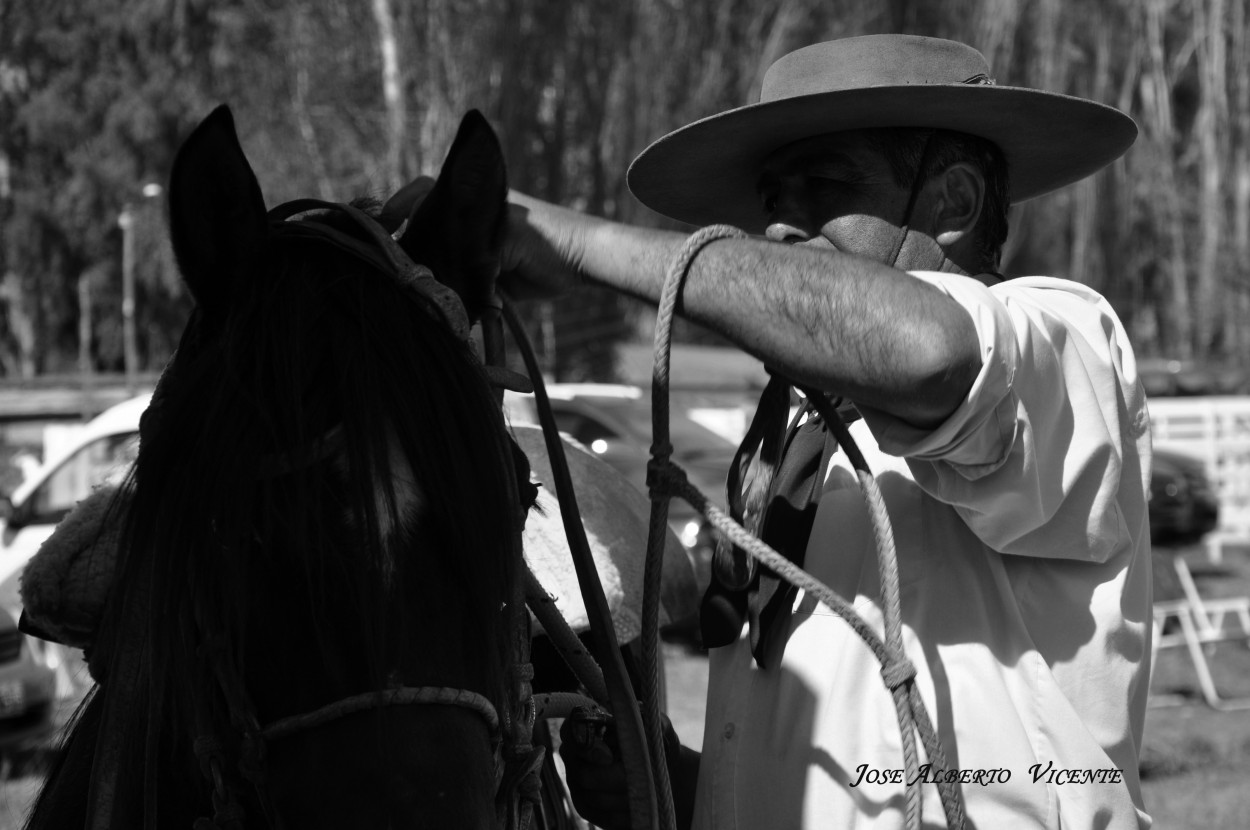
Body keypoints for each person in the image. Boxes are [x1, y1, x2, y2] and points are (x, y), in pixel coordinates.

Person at [502, 34, 1152, 830]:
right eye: (774, 198)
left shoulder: (1060, 337)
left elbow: (930, 353)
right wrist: (675, 784)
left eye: (824, 186)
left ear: (953, 203)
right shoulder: (791, 428)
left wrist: (579, 246)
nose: (777, 228)